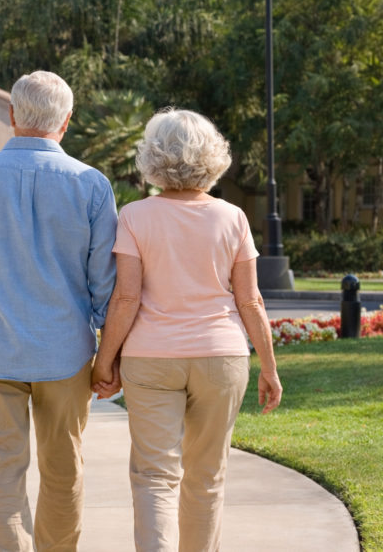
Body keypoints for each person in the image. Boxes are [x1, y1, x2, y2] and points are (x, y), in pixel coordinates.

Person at [0, 71, 118, 552]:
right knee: (63, 470)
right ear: (67, 121)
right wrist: (109, 359)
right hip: (65, 355)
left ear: (12, 115)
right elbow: (105, 289)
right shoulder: (92, 186)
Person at [91, 108, 283, 552]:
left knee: (155, 476)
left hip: (150, 359)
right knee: (207, 475)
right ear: (212, 156)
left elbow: (126, 298)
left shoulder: (135, 216)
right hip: (221, 357)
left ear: (152, 157)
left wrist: (104, 362)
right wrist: (270, 368)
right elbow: (250, 300)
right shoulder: (233, 217)